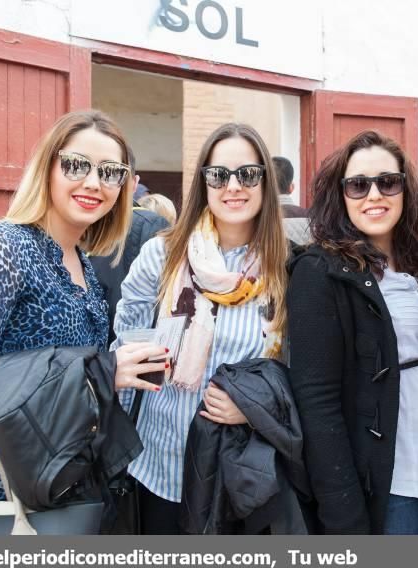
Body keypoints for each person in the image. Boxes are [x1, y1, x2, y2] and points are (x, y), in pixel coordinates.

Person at [0, 110, 168, 501]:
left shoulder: (83, 262)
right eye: (76, 165)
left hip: (61, 488)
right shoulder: (3, 250)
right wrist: (98, 376)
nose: (93, 183)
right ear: (47, 169)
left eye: (110, 172)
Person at [287, 130, 418, 535]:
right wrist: (341, 506)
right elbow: (317, 400)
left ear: (405, 190)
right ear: (341, 195)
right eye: (358, 185)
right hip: (388, 476)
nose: (374, 195)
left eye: (387, 182)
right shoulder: (320, 271)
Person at [113, 123, 288, 534]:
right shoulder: (162, 256)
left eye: (248, 174)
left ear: (265, 182)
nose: (233, 186)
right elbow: (126, 346)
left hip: (239, 474)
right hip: (160, 464)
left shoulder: (288, 269)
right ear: (203, 183)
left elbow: (300, 374)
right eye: (218, 174)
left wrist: (254, 408)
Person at [90, 169, 170, 346]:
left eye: (111, 174)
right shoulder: (82, 227)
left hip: (119, 342)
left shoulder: (149, 224)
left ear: (134, 183)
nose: (93, 184)